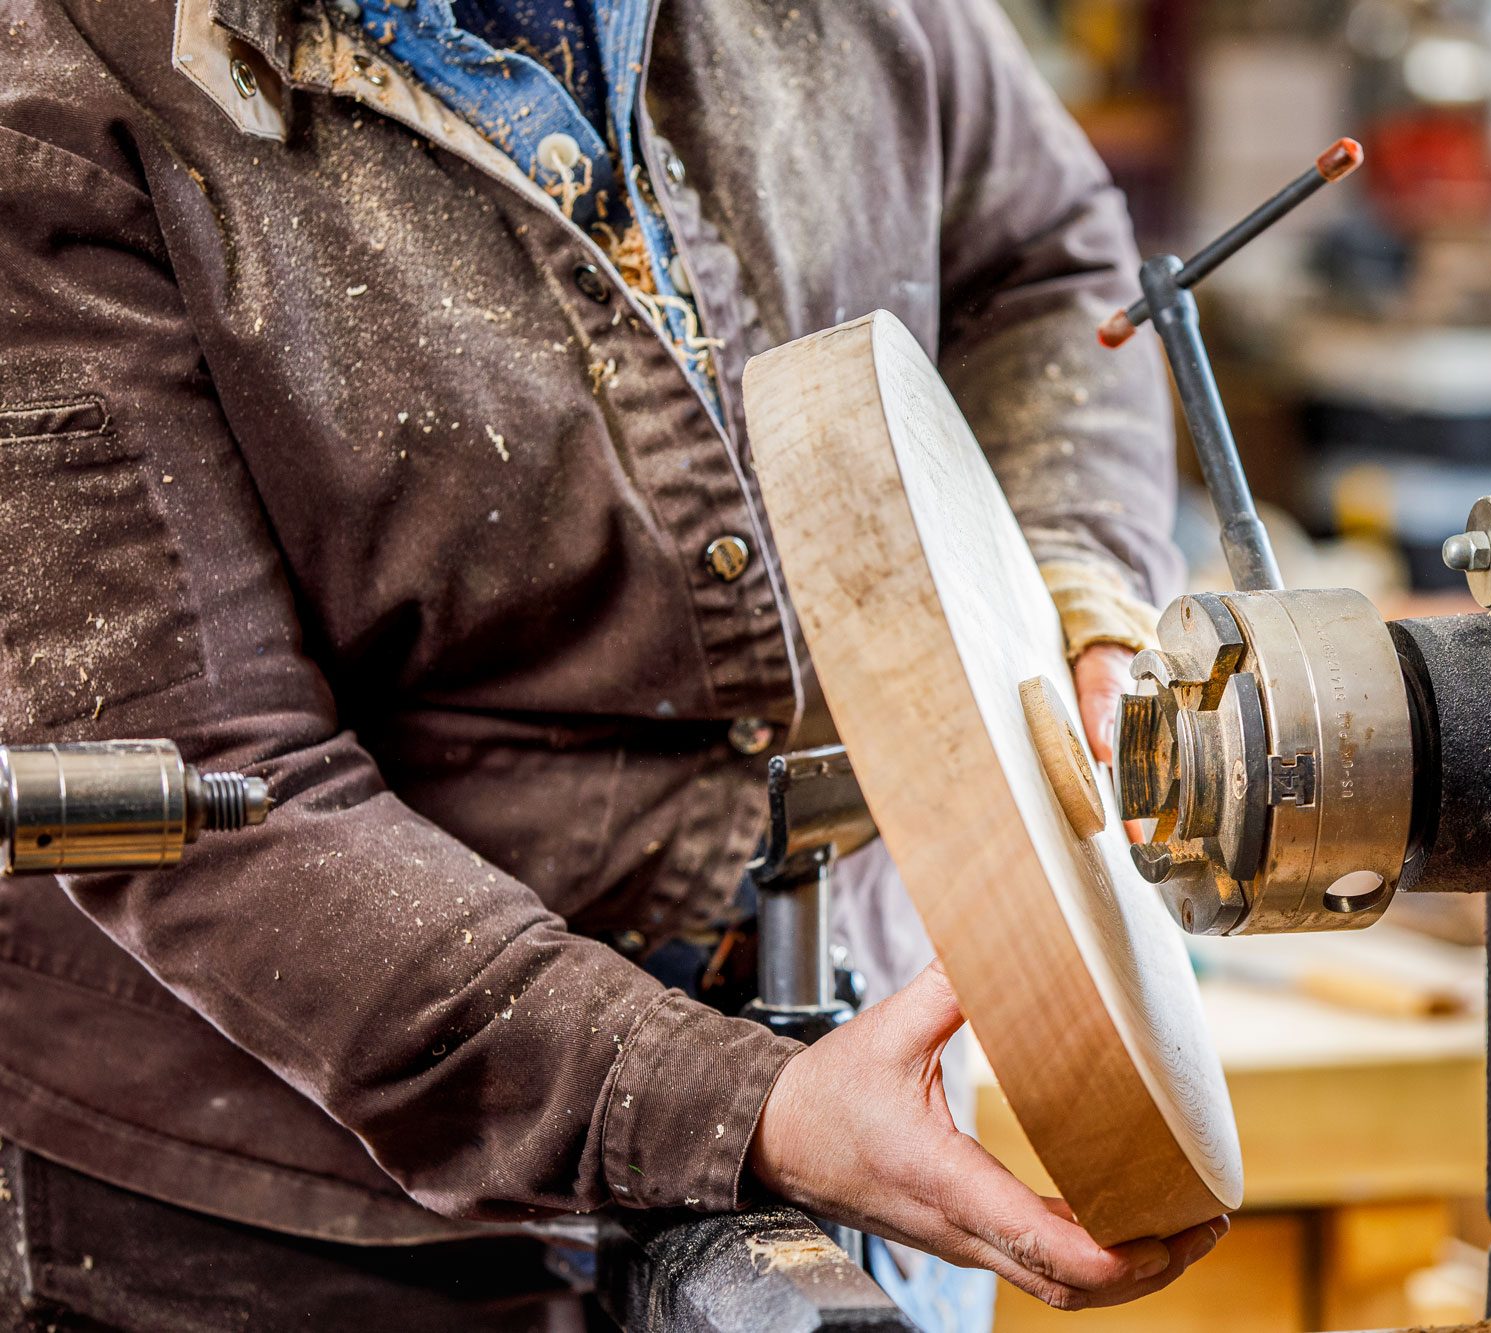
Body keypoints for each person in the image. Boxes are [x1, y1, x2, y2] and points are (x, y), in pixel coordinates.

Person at [0, 0, 1225, 1328]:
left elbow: (1043, 264)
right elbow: (209, 792)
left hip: (876, 1090)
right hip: (301, 1224)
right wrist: (741, 1106)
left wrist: (1067, 584)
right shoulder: (59, 85)